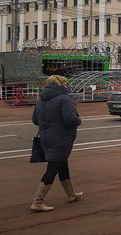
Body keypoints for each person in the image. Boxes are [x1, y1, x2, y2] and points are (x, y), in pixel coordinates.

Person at [30, 75, 83, 212]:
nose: (67, 85)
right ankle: (37, 202)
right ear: (61, 84)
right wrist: (79, 120)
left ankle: (71, 194)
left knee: (62, 165)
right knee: (52, 169)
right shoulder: (64, 99)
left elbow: (35, 120)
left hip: (46, 138)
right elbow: (70, 120)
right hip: (61, 139)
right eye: (65, 83)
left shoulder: (41, 99)